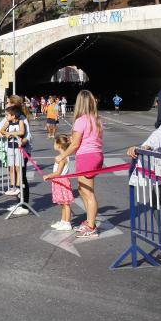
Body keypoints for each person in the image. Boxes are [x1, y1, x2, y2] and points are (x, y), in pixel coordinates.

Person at [55, 90, 103, 239]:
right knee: (82, 190)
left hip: (86, 156)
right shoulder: (96, 119)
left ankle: (91, 226)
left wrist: (62, 155)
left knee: (88, 192)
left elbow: (75, 144)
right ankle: (89, 221)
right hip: (96, 154)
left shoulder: (81, 120)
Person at [45, 135, 75, 231]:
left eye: (54, 143)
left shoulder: (62, 158)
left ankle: (67, 223)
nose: (53, 144)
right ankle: (63, 221)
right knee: (62, 203)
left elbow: (58, 172)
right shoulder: (60, 157)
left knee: (66, 203)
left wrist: (48, 176)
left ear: (59, 145)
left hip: (62, 182)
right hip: (58, 182)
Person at [2, 106, 28, 197]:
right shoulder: (8, 122)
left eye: (7, 115)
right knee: (11, 167)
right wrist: (6, 134)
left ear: (13, 116)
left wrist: (11, 133)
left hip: (18, 147)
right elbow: (2, 130)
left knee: (18, 167)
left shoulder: (20, 122)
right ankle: (12, 186)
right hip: (10, 147)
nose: (6, 116)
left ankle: (17, 186)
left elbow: (21, 132)